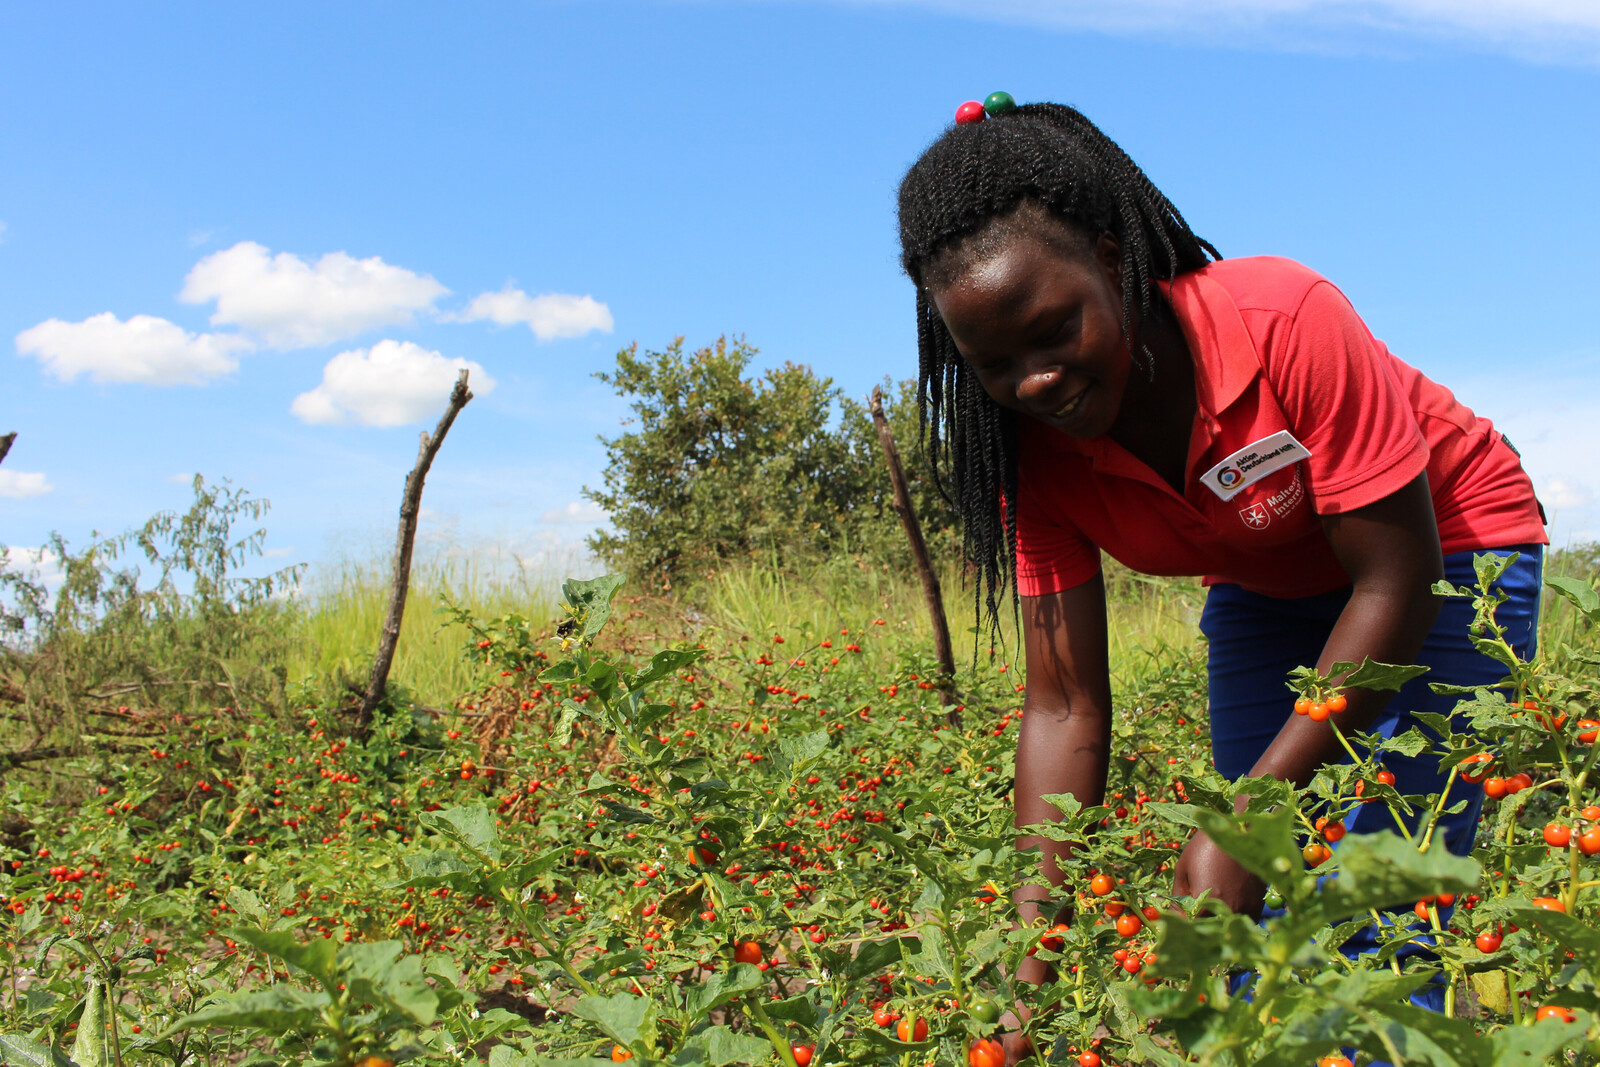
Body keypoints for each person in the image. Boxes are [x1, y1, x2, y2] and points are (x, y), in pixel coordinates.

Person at [895, 96, 1547, 1049]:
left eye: (1052, 330)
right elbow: (1063, 704)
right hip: (1268, 581)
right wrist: (1026, 975)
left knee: (1377, 890)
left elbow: (1393, 584)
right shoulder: (1027, 455)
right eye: (994, 363)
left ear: (1114, 258)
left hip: (1444, 553)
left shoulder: (1282, 319)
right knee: (1248, 907)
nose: (1034, 380)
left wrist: (1252, 813)